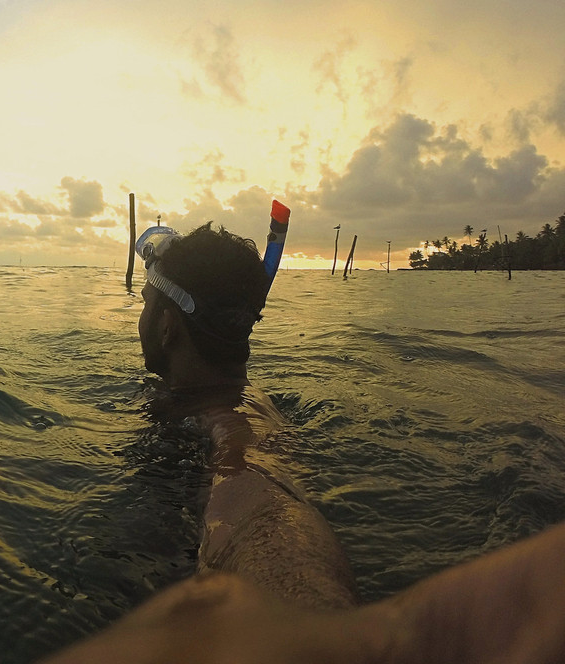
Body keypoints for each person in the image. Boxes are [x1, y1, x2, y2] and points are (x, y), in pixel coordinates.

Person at [39, 222, 565, 663]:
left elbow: (261, 507)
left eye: (148, 302)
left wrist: (344, 633)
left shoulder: (229, 428)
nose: (141, 319)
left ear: (168, 327)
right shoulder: (235, 399)